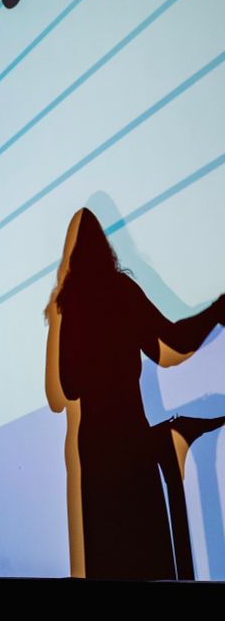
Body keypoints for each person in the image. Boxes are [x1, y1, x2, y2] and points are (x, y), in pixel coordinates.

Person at [44, 208, 224, 579]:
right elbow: (170, 344)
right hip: (132, 439)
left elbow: (67, 387)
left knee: (109, 560)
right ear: (104, 248)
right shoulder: (123, 291)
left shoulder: (71, 305)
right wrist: (217, 310)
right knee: (145, 555)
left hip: (96, 449)